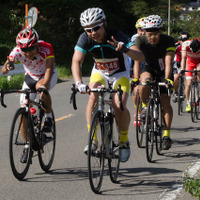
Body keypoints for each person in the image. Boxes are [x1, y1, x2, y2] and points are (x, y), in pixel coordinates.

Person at [71, 7, 144, 162]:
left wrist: (125, 49)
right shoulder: (85, 38)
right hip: (100, 72)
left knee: (118, 105)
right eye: (88, 30)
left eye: (96, 28)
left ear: (104, 23)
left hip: (120, 74)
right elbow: (77, 61)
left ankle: (124, 141)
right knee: (93, 97)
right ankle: (93, 139)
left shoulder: (116, 35)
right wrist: (78, 83)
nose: (92, 33)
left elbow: (140, 57)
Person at [1, 26, 58, 162]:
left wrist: (44, 86)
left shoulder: (46, 47)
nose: (27, 53)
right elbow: (4, 69)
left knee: (41, 88)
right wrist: (8, 66)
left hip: (47, 74)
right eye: (24, 50)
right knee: (23, 111)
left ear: (37, 44)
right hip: (30, 77)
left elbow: (49, 69)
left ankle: (49, 118)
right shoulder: (16, 52)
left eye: (30, 49)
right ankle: (28, 145)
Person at [134, 15, 175, 150]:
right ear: (145, 32)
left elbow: (168, 61)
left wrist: (168, 78)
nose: (152, 37)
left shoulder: (168, 40)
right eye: (149, 34)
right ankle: (145, 107)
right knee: (143, 82)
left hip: (164, 70)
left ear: (160, 32)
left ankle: (166, 135)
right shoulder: (140, 40)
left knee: (165, 101)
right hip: (149, 68)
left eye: (155, 34)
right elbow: (137, 61)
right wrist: (135, 78)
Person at [129, 17, 146, 127]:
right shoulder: (134, 39)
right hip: (137, 65)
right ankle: (137, 112)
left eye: (145, 29)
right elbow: (135, 60)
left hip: (150, 65)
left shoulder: (153, 38)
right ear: (137, 30)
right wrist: (135, 78)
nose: (143, 32)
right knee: (136, 90)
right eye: (140, 29)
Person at [180, 38, 200, 112]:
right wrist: (182, 69)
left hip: (198, 62)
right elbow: (183, 58)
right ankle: (188, 102)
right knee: (188, 84)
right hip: (190, 63)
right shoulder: (185, 44)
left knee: (199, 71)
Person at [172, 31, 190, 103]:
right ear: (179, 40)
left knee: (187, 79)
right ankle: (175, 93)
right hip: (178, 63)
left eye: (185, 40)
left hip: (187, 63)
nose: (184, 42)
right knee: (176, 77)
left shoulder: (190, 45)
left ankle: (188, 97)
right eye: (182, 41)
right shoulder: (176, 46)